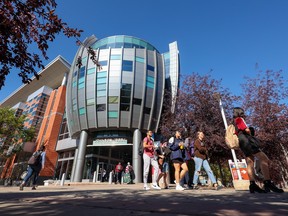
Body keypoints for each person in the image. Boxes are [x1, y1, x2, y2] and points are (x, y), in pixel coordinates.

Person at [233, 107, 284, 193]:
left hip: (241, 141)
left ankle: (252, 184)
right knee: (264, 159)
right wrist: (250, 131)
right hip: (247, 141)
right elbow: (247, 130)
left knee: (250, 161)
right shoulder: (240, 119)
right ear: (240, 113)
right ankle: (267, 182)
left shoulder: (234, 121)